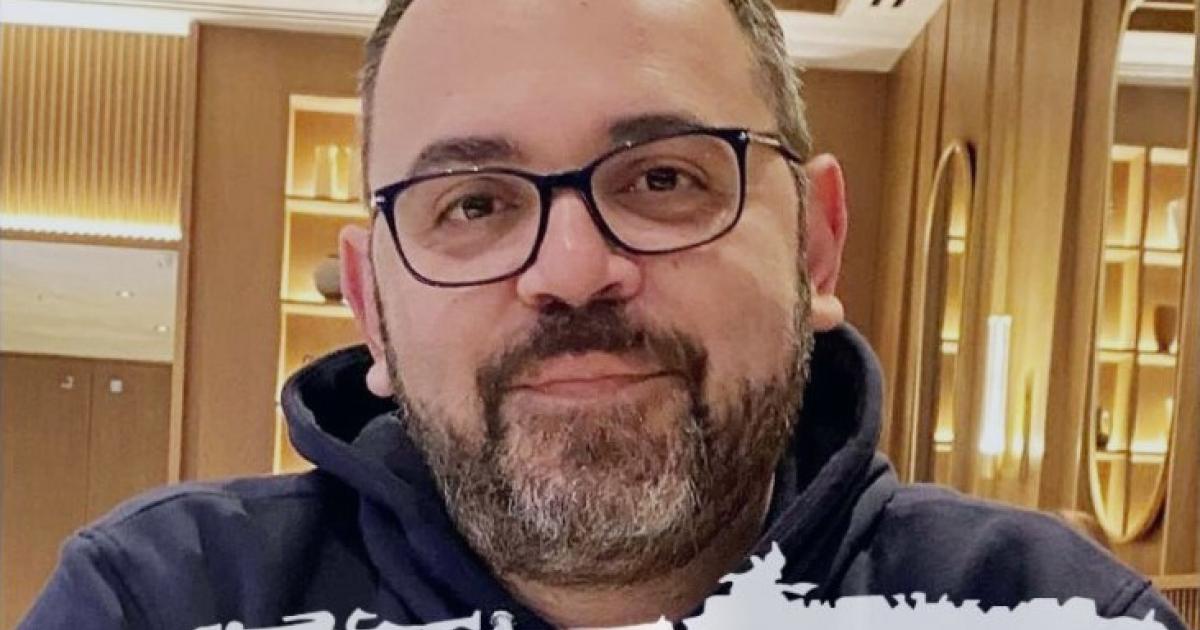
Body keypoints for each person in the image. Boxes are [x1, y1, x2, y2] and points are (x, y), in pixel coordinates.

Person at [22, 1, 1186, 628]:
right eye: (474, 203)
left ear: (815, 243)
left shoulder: (1048, 613)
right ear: (371, 307)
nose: (572, 271)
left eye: (664, 178)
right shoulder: (162, 601)